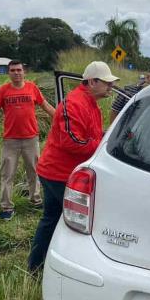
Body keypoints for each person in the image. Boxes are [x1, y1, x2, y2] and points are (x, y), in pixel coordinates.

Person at [28, 61, 119, 271]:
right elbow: (72, 141)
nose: (110, 87)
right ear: (92, 81)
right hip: (58, 174)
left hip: (61, 172)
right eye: (107, 82)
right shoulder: (74, 103)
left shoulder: (89, 103)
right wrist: (103, 146)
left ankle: (38, 265)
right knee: (76, 222)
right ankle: (59, 265)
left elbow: (88, 135)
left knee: (52, 219)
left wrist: (105, 136)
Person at [0, 60, 55, 220]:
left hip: (31, 139)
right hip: (10, 141)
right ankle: (7, 207)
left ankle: (35, 200)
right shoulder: (3, 90)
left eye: (19, 70)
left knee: (34, 172)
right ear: (9, 73)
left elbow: (46, 105)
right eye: (13, 70)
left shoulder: (32, 88)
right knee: (7, 174)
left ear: (24, 72)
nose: (16, 73)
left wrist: (62, 119)